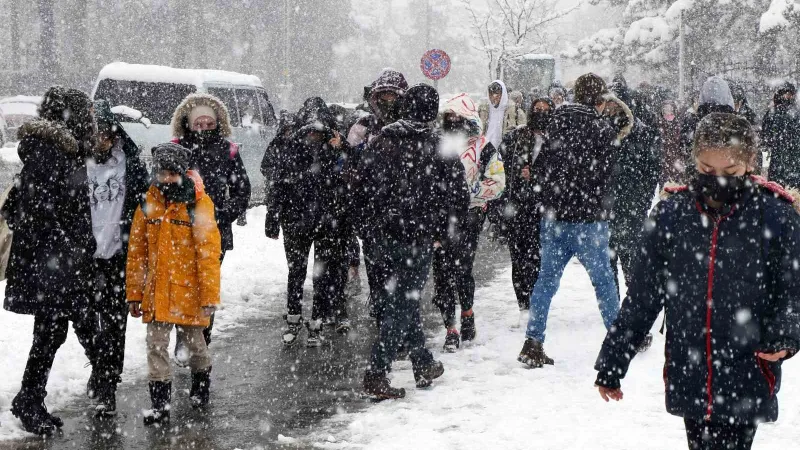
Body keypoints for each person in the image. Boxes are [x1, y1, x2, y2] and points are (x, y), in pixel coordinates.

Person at [594, 113, 800, 450]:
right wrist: (613, 362)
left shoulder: (775, 216)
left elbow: (792, 289)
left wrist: (787, 330)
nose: (718, 180)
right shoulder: (672, 216)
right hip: (691, 367)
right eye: (707, 170)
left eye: (730, 172)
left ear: (749, 162)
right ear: (694, 161)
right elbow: (643, 296)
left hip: (748, 367)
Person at [355, 84, 469, 399]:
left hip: (383, 236)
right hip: (417, 237)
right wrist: (444, 234)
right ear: (431, 112)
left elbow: (359, 188)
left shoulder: (381, 141)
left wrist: (368, 229)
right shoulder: (438, 145)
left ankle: (422, 362)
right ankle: (377, 373)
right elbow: (459, 196)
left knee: (403, 300)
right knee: (403, 304)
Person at [3, 87, 97, 435]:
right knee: (52, 331)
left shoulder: (60, 149)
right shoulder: (51, 151)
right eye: (86, 111)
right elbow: (38, 210)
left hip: (55, 261)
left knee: (54, 330)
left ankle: (31, 398)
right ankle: (29, 400)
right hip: (51, 263)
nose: (91, 118)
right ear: (70, 114)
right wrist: (68, 248)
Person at [517, 73, 623, 368]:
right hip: (589, 220)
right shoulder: (602, 130)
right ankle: (619, 340)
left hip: (555, 218)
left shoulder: (555, 124)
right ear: (599, 101)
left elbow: (540, 170)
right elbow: (609, 176)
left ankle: (534, 341)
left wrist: (552, 198)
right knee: (603, 282)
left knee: (546, 281)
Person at [127, 143, 222, 425]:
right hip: (156, 293)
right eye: (161, 172)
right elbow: (137, 252)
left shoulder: (198, 204)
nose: (166, 178)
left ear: (181, 172)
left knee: (196, 344)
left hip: (189, 292)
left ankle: (201, 383)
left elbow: (208, 254)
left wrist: (209, 297)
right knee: (155, 345)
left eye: (172, 173)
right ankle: (159, 405)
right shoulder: (148, 202)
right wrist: (134, 292)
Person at [266, 98, 351, 346]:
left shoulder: (335, 150)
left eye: (318, 130)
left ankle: (317, 321)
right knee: (296, 272)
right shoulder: (290, 148)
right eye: (310, 130)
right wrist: (273, 216)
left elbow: (349, 180)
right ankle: (294, 318)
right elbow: (277, 185)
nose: (314, 135)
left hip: (327, 222)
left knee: (321, 275)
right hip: (296, 221)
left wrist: (341, 149)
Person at [84, 100, 150, 417]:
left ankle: (107, 386)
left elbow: (145, 207)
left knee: (113, 324)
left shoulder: (131, 164)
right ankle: (100, 368)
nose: (101, 141)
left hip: (118, 257)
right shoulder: (74, 165)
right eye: (95, 135)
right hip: (82, 259)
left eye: (107, 135)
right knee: (84, 323)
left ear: (115, 136)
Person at [171, 93, 251, 347]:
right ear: (188, 123)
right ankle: (183, 338)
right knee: (182, 284)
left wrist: (223, 215)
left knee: (207, 284)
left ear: (218, 123)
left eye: (209, 123)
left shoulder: (228, 151)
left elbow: (242, 189)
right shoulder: (176, 149)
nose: (204, 128)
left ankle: (202, 339)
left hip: (215, 231)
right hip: (180, 230)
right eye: (198, 124)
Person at [435, 93, 505, 351]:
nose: (453, 121)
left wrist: (467, 195)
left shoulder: (484, 148)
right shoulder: (439, 145)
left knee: (463, 269)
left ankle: (467, 313)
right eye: (449, 116)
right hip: (440, 220)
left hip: (469, 218)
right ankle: (450, 327)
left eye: (458, 117)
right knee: (442, 273)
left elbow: (497, 183)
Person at [346, 69, 409, 325]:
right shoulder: (363, 127)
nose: (387, 100)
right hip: (371, 209)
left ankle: (397, 314)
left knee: (401, 267)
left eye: (392, 95)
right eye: (382, 95)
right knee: (374, 264)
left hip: (405, 211)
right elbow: (348, 165)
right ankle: (381, 306)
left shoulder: (413, 128)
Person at [604, 89, 660, 353]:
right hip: (607, 210)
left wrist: (640, 203)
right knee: (608, 267)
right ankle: (617, 316)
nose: (613, 110)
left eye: (617, 105)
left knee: (632, 266)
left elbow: (651, 171)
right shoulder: (601, 132)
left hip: (629, 210)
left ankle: (631, 317)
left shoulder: (642, 133)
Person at [498, 97, 553, 317]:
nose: (541, 113)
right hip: (518, 206)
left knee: (538, 258)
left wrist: (538, 176)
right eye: (537, 109)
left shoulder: (557, 139)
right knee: (518, 257)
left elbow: (563, 173)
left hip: (544, 208)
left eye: (546, 110)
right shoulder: (516, 136)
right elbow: (503, 168)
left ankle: (536, 300)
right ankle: (523, 302)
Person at [761, 82, 800, 188]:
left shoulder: (772, 113)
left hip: (782, 163)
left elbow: (765, 138)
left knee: (778, 192)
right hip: (789, 163)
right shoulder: (794, 113)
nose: (787, 96)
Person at [479, 80, 524, 149]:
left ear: (503, 94)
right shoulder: (483, 111)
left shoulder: (515, 111)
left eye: (497, 93)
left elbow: (522, 133)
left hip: (505, 151)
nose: (494, 96)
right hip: (485, 151)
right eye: (491, 94)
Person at [658, 99, 684, 184]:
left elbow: (680, 140)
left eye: (670, 109)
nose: (668, 111)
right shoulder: (659, 123)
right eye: (665, 109)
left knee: (676, 180)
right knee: (664, 181)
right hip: (663, 157)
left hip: (676, 157)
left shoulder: (677, 124)